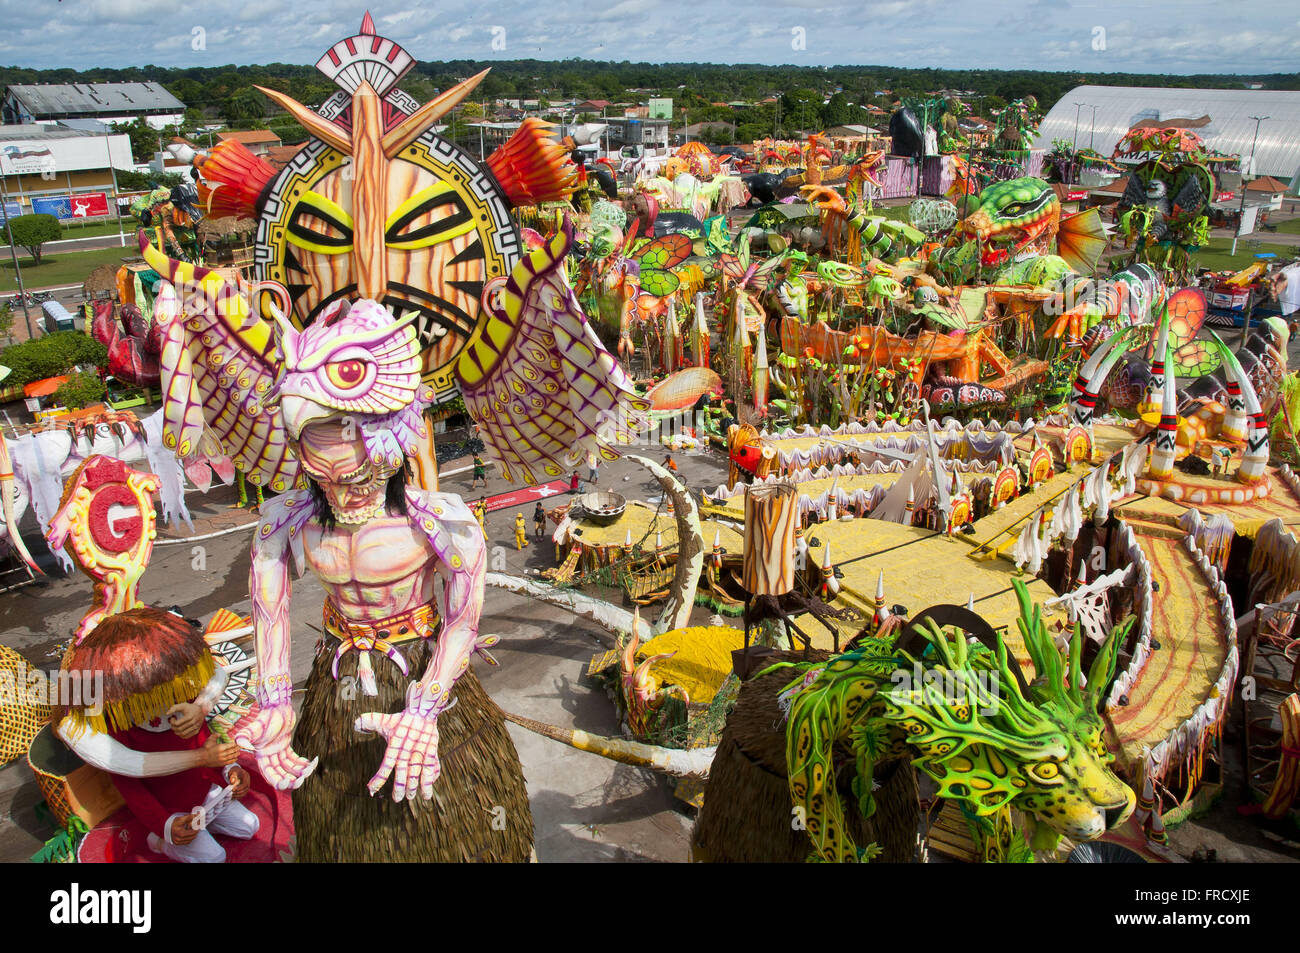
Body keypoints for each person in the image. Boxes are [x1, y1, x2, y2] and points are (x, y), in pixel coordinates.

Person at [55, 607, 257, 864]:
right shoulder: (119, 730)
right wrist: (165, 825)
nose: (164, 702)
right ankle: (160, 844)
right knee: (214, 857)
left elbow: (206, 738)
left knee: (249, 825)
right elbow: (133, 787)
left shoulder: (185, 700)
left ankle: (208, 825)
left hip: (208, 795)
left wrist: (230, 770)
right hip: (173, 810)